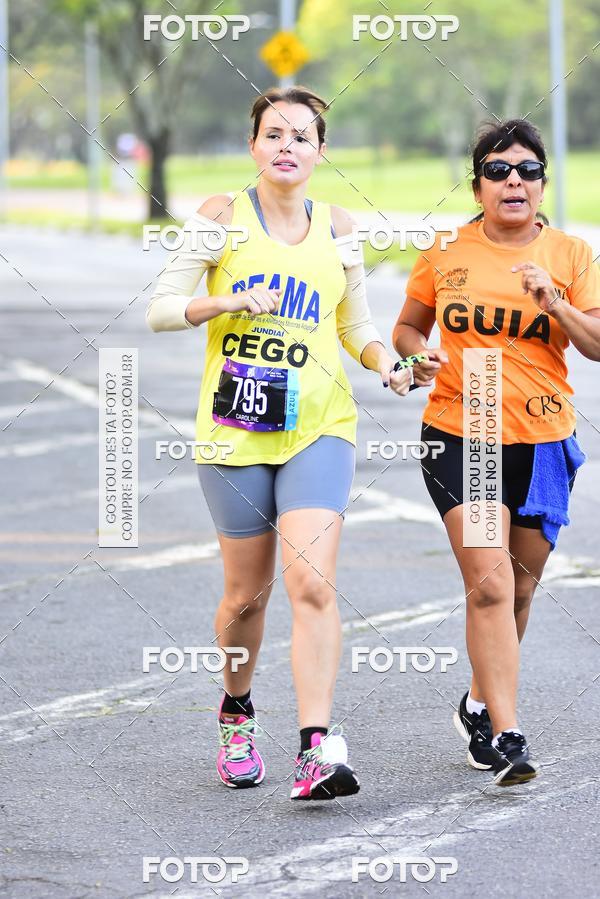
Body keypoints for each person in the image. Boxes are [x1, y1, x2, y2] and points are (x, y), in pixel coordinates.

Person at [147, 86, 412, 800]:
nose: (287, 145)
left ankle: (315, 747)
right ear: (253, 145)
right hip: (235, 430)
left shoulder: (340, 224)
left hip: (319, 427)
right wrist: (227, 301)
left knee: (312, 583)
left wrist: (392, 366)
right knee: (244, 599)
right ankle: (236, 712)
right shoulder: (220, 219)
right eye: (274, 133)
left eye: (302, 136)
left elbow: (357, 326)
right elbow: (162, 309)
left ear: (321, 152)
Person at [393, 119, 600, 786]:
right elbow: (408, 327)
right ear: (478, 182)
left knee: (520, 587)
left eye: (528, 170)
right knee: (490, 583)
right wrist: (415, 357)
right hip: (466, 427)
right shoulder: (445, 251)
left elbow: (596, 342)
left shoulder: (573, 255)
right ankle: (507, 736)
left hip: (542, 440)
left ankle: (478, 701)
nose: (515, 179)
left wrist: (556, 302)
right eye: (499, 169)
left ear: (542, 183)